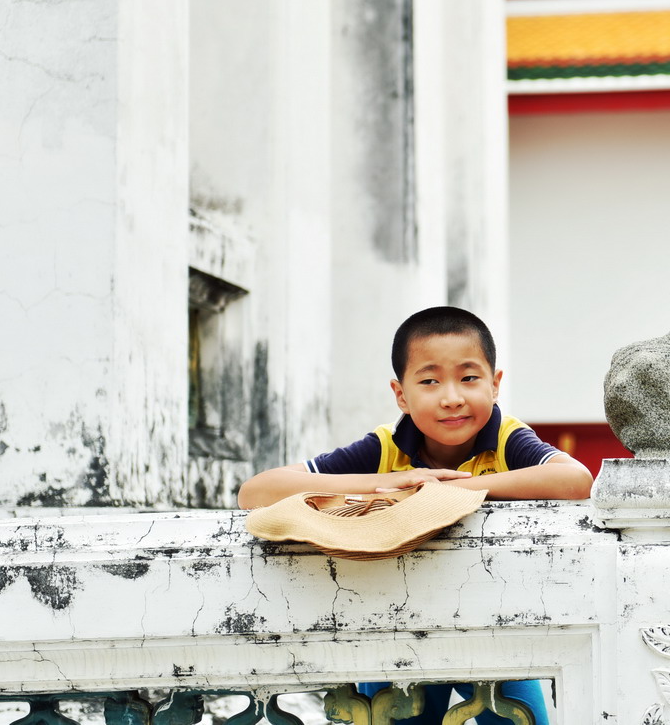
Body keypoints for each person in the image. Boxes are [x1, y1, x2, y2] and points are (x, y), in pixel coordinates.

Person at [238, 305, 594, 724]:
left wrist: (448, 490)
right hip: (396, 624)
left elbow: (577, 480)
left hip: (492, 625)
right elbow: (256, 491)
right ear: (401, 395)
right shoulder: (385, 448)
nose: (452, 397)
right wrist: (386, 482)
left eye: (469, 378)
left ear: (495, 385)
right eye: (429, 381)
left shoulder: (506, 438)